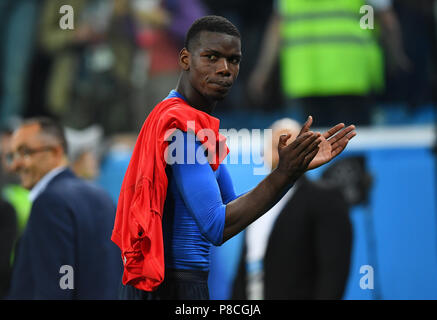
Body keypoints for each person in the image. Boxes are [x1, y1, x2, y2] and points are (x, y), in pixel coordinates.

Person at [113, 15, 357, 300]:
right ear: (184, 59)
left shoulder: (189, 123)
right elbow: (218, 226)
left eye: (234, 60)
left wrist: (292, 173)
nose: (225, 69)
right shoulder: (179, 127)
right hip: (172, 287)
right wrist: (285, 173)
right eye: (212, 57)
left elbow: (231, 210)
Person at [232, 118, 353, 300]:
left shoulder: (324, 199)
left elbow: (333, 271)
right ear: (263, 153)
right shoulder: (253, 200)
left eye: (292, 147)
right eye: (276, 146)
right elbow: (244, 268)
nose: (283, 153)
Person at [6, 117, 122, 299]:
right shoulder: (102, 196)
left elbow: (58, 284)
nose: (14, 165)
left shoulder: (50, 201)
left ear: (56, 152)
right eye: (13, 155)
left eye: (25, 152)